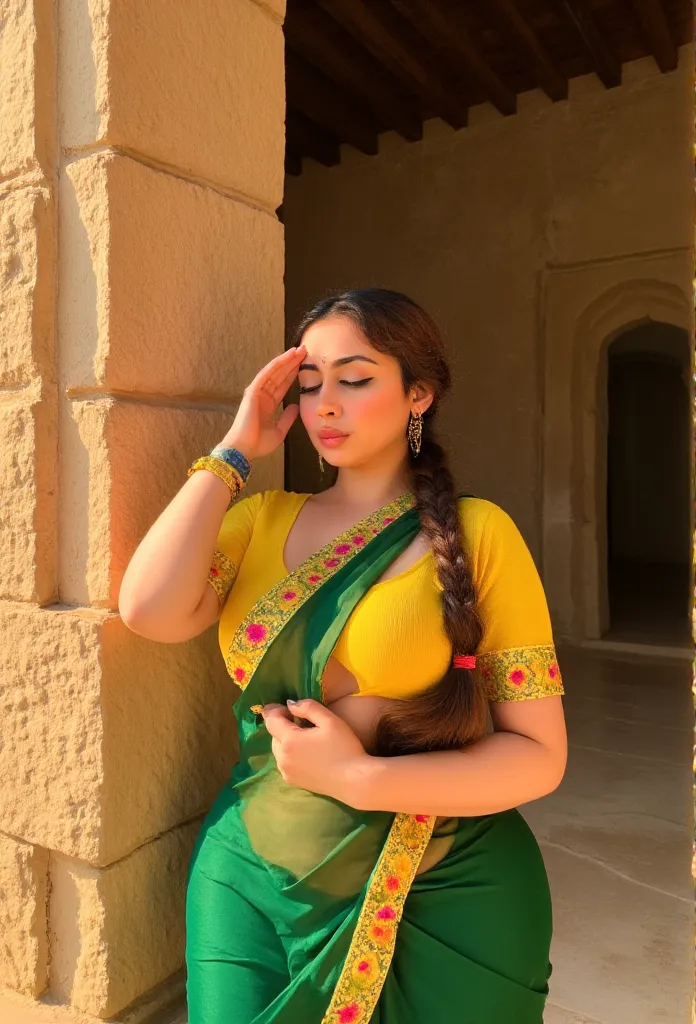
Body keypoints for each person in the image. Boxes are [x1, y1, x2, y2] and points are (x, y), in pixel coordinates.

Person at [118, 288, 567, 1024]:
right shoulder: (261, 519)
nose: (326, 403)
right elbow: (148, 611)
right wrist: (234, 453)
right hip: (254, 869)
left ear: (418, 393)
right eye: (310, 382)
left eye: (355, 379)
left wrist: (357, 777)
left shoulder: (479, 533)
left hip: (446, 884)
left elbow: (539, 756)